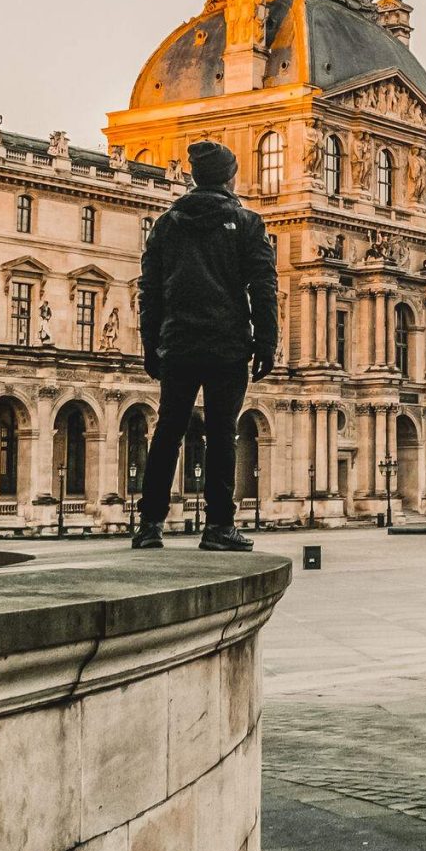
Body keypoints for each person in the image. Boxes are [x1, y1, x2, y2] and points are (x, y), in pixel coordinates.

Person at [134, 140, 276, 550]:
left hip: (177, 342)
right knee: (221, 433)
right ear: (229, 177)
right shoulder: (247, 223)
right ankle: (218, 527)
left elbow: (150, 290)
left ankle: (149, 524)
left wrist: (151, 343)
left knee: (168, 431)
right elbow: (263, 287)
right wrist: (266, 341)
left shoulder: (166, 224)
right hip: (227, 344)